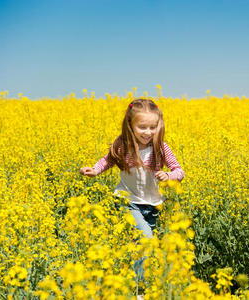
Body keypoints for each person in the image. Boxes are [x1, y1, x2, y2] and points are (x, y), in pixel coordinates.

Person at [79, 98, 185, 284]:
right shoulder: (123, 144)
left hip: (153, 205)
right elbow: (108, 160)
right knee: (145, 237)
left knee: (140, 246)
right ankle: (139, 288)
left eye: (153, 127)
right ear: (130, 125)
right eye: (142, 127)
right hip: (127, 201)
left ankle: (127, 282)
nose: (148, 132)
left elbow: (179, 171)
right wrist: (95, 170)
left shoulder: (161, 146)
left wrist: (169, 177)